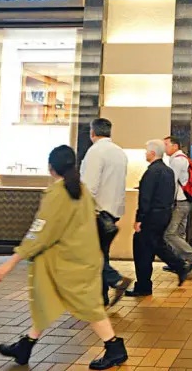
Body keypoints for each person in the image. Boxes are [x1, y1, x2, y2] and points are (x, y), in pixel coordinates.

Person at [0, 145, 128, 370]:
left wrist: (11, 262)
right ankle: (25, 346)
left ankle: (114, 347)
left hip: (66, 264)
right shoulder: (81, 190)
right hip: (81, 259)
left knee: (88, 307)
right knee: (46, 300)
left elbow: (40, 232)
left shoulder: (58, 194)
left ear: (51, 167)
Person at [126, 140, 187, 297]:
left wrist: (139, 218)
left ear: (152, 153)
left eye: (147, 151)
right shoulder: (168, 171)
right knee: (156, 244)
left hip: (151, 216)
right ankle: (179, 265)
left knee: (142, 249)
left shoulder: (151, 172)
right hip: (164, 214)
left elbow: (145, 198)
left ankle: (143, 286)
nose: (145, 153)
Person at [80, 118, 131, 307]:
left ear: (92, 132)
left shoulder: (95, 152)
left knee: (90, 255)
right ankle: (100, 297)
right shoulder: (119, 152)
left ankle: (115, 280)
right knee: (101, 253)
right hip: (113, 211)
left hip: (97, 211)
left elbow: (89, 186)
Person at [161, 136, 192, 273]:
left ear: (175, 146)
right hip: (185, 201)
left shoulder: (177, 160)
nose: (164, 147)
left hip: (179, 202)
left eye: (166, 144)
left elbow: (171, 183)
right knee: (179, 233)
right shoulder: (182, 158)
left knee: (169, 234)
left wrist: (167, 202)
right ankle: (179, 263)